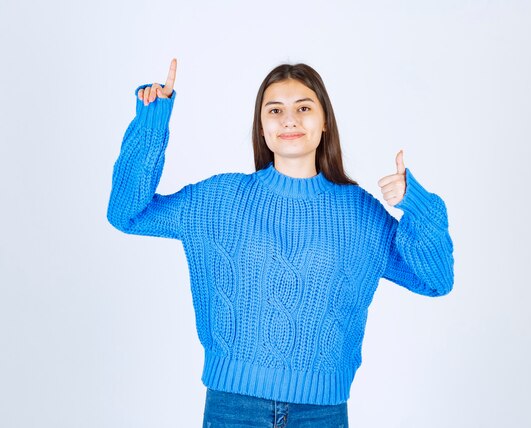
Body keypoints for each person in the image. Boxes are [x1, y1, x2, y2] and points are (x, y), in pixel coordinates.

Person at [107, 57, 455, 427]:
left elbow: (436, 280)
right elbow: (128, 214)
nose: (289, 119)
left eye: (303, 108)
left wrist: (418, 206)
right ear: (262, 126)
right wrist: (150, 122)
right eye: (275, 110)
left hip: (322, 413)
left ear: (324, 122)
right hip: (233, 409)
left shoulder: (360, 215)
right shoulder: (219, 199)